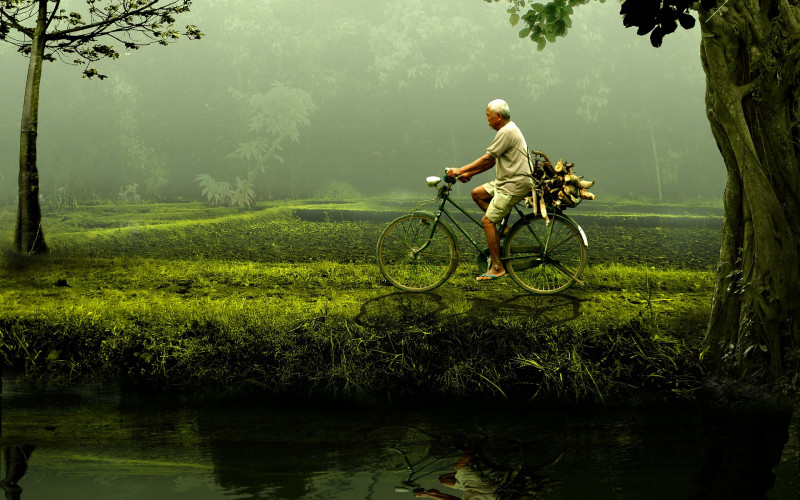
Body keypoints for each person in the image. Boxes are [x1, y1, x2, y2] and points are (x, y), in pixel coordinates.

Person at [446, 99, 531, 282]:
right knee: (477, 193)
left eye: (488, 116)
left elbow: (487, 159)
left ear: (498, 117)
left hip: (513, 184)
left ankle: (498, 267)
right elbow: (492, 161)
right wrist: (470, 173)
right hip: (505, 181)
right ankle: (504, 229)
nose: (486, 120)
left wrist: (460, 170)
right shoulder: (507, 129)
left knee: (487, 222)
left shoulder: (506, 132)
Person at [414, 436, 498, 500]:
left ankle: (471, 469)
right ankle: (475, 440)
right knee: (460, 466)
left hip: (470, 490)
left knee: (444, 480)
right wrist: (429, 495)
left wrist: (434, 494)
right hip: (481, 488)